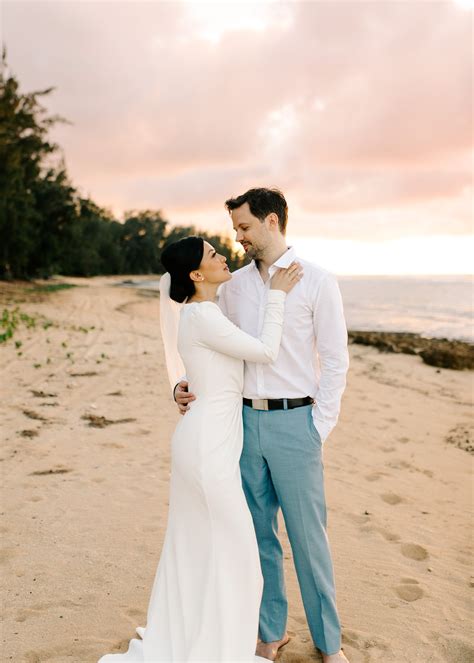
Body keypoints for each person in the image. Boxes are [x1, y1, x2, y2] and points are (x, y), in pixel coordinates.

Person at [97, 235, 303, 663]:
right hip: (207, 448)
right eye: (213, 254)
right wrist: (278, 296)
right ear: (195, 274)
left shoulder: (201, 313)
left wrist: (179, 386)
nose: (223, 255)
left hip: (206, 442)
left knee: (197, 549)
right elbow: (265, 351)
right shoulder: (203, 316)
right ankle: (221, 648)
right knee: (241, 554)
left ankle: (204, 638)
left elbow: (202, 366)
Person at [175, 189, 350, 663]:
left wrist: (319, 426)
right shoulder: (232, 286)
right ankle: (269, 634)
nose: (238, 237)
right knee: (258, 538)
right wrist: (182, 385)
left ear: (271, 221)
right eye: (235, 229)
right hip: (243, 424)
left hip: (298, 423)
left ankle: (329, 644)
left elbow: (335, 361)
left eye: (245, 227)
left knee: (309, 540)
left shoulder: (316, 281)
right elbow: (215, 345)